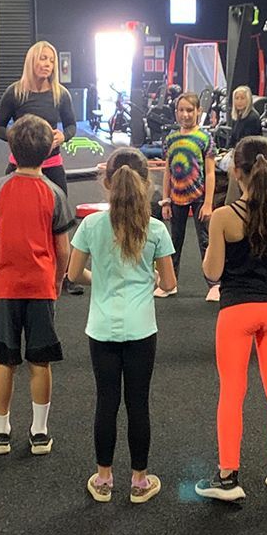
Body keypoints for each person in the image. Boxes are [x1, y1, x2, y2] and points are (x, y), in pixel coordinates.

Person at [195, 136, 267, 502]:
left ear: (236, 173)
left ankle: (228, 478)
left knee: (232, 392)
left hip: (236, 312)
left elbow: (212, 272)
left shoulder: (224, 217)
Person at [67, 148, 176, 504]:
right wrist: (149, 280)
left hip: (101, 329)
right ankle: (139, 481)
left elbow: (73, 274)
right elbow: (169, 283)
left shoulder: (90, 225)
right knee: (138, 403)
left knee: (106, 402)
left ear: (106, 182)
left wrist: (100, 279)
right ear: (147, 182)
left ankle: (103, 479)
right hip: (141, 329)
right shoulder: (156, 229)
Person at [0, 115, 75, 457]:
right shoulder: (54, 193)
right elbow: (63, 248)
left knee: (5, 360)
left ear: (12, 150)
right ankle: (39, 432)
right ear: (49, 151)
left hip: (3, 287)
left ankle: (1, 432)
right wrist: (57, 279)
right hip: (40, 287)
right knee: (40, 361)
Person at [0, 41, 82, 295]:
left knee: (60, 222)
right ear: (32, 61)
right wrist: (17, 137)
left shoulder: (60, 94)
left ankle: (65, 274)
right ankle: (12, 268)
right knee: (12, 219)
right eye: (43, 59)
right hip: (20, 166)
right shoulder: (15, 92)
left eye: (51, 60)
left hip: (52, 165)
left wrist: (64, 136)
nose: (47, 65)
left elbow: (71, 125)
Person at [157, 92, 217, 301]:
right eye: (181, 110)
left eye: (190, 110)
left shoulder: (204, 138)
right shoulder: (171, 139)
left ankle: (214, 284)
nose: (185, 114)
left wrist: (208, 203)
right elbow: (167, 171)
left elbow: (210, 173)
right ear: (176, 112)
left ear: (198, 111)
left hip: (199, 196)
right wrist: (165, 200)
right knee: (174, 241)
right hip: (176, 198)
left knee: (205, 241)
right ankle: (169, 283)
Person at [224, 85, 263, 205]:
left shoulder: (252, 118)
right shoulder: (238, 117)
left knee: (232, 169)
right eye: (237, 98)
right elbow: (233, 139)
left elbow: (247, 143)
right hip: (237, 152)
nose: (239, 101)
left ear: (249, 100)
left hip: (248, 157)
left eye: (242, 98)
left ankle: (232, 202)